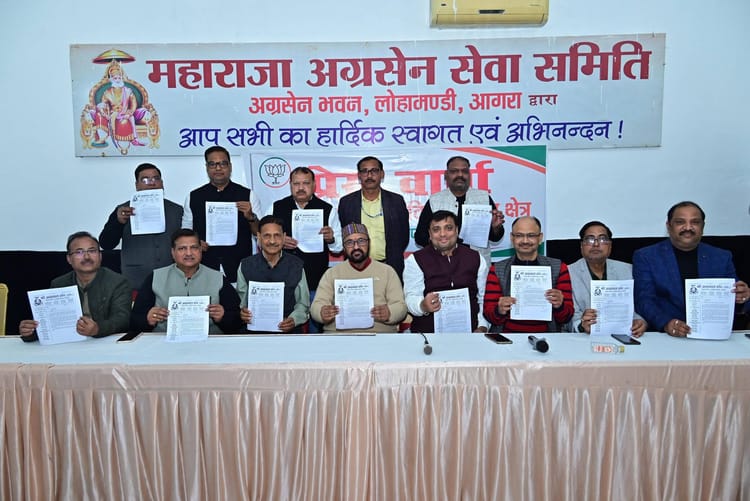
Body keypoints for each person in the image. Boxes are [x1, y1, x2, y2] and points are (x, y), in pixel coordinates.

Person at [633, 201, 750, 337]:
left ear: (702, 227)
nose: (688, 227)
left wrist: (742, 297)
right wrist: (666, 323)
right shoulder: (646, 256)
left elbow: (735, 298)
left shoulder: (722, 257)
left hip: (713, 334)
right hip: (665, 336)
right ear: (669, 226)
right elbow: (644, 300)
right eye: (680, 222)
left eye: (695, 222)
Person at [19, 231, 131, 341]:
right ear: (69, 259)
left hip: (104, 341)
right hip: (70, 343)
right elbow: (50, 324)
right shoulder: (59, 284)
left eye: (92, 251)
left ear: (100, 256)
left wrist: (98, 329)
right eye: (79, 252)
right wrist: (31, 332)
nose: (86, 256)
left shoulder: (118, 282)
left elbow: (122, 320)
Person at [130, 229, 242, 334]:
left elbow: (238, 319)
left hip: (210, 340)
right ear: (173, 252)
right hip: (163, 340)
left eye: (194, 248)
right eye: (182, 248)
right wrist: (147, 319)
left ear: (200, 250)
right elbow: (134, 320)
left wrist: (224, 317)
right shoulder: (156, 277)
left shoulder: (217, 278)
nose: (189, 253)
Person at [182, 145, 261, 283]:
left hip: (239, 267)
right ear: (207, 167)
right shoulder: (194, 197)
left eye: (223, 163)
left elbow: (260, 234)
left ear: (230, 166)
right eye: (213, 164)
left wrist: (251, 217)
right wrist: (196, 243)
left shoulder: (248, 195)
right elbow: (185, 232)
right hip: (204, 267)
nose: (218, 168)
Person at [99, 163, 184, 289]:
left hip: (171, 277)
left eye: (156, 178)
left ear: (162, 183)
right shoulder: (123, 210)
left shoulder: (177, 210)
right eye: (145, 180)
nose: (151, 183)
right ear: (137, 185)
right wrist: (118, 222)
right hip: (136, 278)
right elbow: (106, 244)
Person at [310, 223, 407, 333]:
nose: (356, 247)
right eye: (349, 242)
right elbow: (316, 306)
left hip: (379, 335)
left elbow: (400, 306)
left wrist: (389, 312)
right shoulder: (332, 274)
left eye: (361, 241)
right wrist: (322, 312)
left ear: (369, 243)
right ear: (344, 247)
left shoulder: (387, 271)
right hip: (338, 336)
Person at [483, 216, 574, 333]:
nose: (525, 241)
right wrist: (498, 310)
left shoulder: (559, 267)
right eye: (519, 235)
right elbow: (488, 315)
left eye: (531, 235)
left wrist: (560, 305)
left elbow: (567, 317)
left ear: (540, 238)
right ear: (512, 238)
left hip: (548, 337)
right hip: (507, 337)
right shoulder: (497, 269)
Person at [403, 210, 489, 333]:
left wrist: (483, 326)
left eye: (448, 228)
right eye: (436, 229)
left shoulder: (475, 258)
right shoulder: (416, 260)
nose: (443, 234)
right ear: (430, 234)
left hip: (470, 333)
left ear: (457, 231)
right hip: (428, 333)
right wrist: (423, 306)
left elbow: (483, 299)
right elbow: (411, 298)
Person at [414, 155, 505, 266]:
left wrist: (496, 228)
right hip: (442, 265)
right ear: (446, 175)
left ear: (469, 175)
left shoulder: (484, 198)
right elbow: (420, 237)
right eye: (454, 171)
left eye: (464, 171)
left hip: (477, 264)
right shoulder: (435, 200)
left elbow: (495, 238)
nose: (460, 175)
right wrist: (441, 241)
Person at [268, 166, 342, 293]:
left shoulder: (328, 209)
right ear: (290, 185)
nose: (301, 188)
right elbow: (262, 239)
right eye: (296, 184)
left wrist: (331, 239)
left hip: (315, 280)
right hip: (283, 280)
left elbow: (338, 248)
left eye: (306, 183)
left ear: (314, 185)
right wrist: (278, 242)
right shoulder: (276, 208)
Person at [567, 221, 646, 337]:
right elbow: (567, 318)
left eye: (602, 239)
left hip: (623, 335)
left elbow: (639, 307)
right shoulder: (568, 272)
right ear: (581, 245)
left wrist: (640, 322)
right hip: (583, 339)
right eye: (590, 239)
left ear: (610, 246)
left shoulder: (628, 270)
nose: (596, 244)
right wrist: (581, 325)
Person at [337, 156, 410, 280]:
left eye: (374, 171)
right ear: (359, 175)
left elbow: (403, 237)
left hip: (390, 267)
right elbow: (344, 235)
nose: (369, 175)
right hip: (357, 268)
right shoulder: (347, 203)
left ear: (382, 174)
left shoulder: (396, 201)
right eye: (364, 171)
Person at [237, 216, 310, 333]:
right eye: (267, 236)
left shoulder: (296, 265)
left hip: (288, 332)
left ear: (284, 237)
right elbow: (241, 303)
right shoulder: (246, 265)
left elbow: (303, 303)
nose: (272, 241)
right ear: (259, 237)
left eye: (277, 235)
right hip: (254, 333)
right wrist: (243, 313)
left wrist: (294, 319)